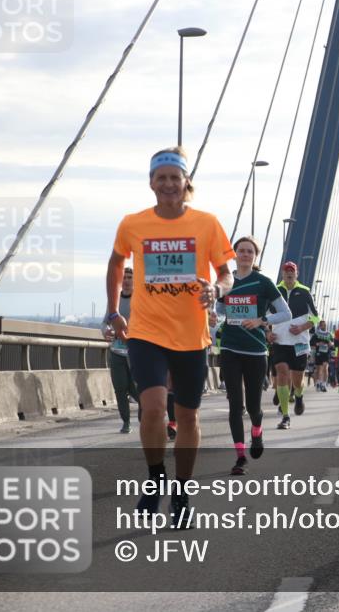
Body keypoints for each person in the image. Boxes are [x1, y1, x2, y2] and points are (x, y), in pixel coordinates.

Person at [107, 146, 235, 527]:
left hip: (191, 335)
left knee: (188, 416)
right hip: (146, 331)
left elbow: (226, 273)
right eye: (160, 178)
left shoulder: (207, 223)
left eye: (173, 178)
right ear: (151, 183)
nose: (167, 184)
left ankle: (181, 490)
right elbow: (116, 263)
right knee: (152, 408)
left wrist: (217, 290)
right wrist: (114, 310)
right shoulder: (133, 223)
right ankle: (155, 478)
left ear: (185, 183)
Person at [215, 236, 291, 475]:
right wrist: (216, 317)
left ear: (255, 256)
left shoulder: (264, 282)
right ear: (234, 254)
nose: (245, 254)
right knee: (235, 405)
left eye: (250, 251)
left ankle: (257, 432)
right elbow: (219, 310)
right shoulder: (225, 281)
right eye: (241, 251)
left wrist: (261, 320)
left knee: (253, 406)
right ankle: (240, 457)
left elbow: (285, 313)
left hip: (256, 351)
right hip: (229, 349)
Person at [269, 261, 318, 429]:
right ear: (282, 274)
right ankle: (285, 416)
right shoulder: (275, 291)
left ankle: (298, 396)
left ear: (296, 274)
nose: (289, 273)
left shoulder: (304, 292)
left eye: (292, 271)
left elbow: (316, 318)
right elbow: (264, 316)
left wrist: (303, 327)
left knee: (297, 380)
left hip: (300, 343)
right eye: (286, 271)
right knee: (282, 373)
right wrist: (268, 333)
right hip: (280, 341)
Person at [102, 267, 139, 433]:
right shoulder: (114, 301)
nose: (126, 280)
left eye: (130, 277)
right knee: (120, 388)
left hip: (137, 352)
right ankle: (126, 422)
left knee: (137, 390)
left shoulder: (141, 299)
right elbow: (105, 323)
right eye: (124, 277)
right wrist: (106, 331)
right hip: (117, 352)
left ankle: (145, 415)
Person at [310, 320, 333, 392]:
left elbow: (332, 343)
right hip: (319, 353)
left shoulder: (329, 334)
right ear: (320, 326)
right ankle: (318, 383)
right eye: (323, 325)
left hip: (326, 353)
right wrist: (318, 343)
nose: (324, 326)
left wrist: (330, 344)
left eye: (325, 325)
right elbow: (311, 342)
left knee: (325, 368)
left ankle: (323, 384)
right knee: (319, 369)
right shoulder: (316, 334)